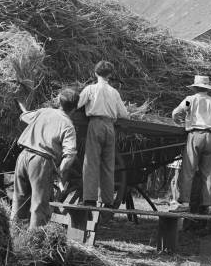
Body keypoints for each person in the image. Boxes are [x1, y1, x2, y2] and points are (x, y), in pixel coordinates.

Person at [11, 88, 79, 229]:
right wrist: (61, 170)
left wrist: (22, 103)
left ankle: (14, 233)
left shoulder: (45, 111)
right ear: (75, 108)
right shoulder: (68, 125)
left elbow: (24, 116)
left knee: (19, 198)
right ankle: (34, 240)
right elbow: (70, 153)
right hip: (40, 161)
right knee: (39, 203)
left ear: (59, 102)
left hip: (23, 156)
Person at [77, 60, 129, 207]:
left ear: (95, 73)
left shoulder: (90, 89)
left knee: (91, 161)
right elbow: (124, 114)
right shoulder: (114, 92)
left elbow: (77, 104)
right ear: (110, 75)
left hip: (96, 123)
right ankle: (108, 200)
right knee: (108, 164)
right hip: (110, 126)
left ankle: (90, 199)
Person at [170, 75, 211, 214]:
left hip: (195, 135)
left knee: (188, 171)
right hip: (210, 138)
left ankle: (185, 202)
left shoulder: (190, 100)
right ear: (207, 88)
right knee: (208, 173)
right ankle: (208, 205)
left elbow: (177, 112)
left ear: (195, 87)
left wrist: (178, 121)